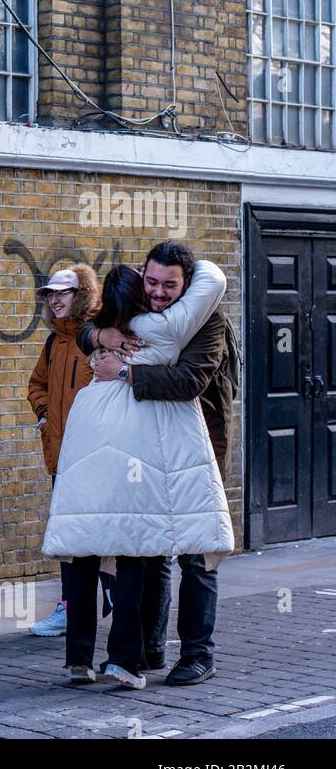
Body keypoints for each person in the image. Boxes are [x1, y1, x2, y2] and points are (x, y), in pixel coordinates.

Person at [44, 258, 231, 690]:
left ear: (188, 284)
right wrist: (99, 335)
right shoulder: (143, 323)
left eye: (170, 284)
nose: (159, 291)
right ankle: (140, 653)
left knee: (193, 553)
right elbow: (86, 327)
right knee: (143, 553)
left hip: (188, 445)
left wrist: (120, 365)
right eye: (151, 282)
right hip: (144, 446)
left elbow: (189, 382)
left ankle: (195, 654)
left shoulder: (200, 319)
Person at [25, 265, 102, 637]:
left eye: (63, 293)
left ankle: (105, 599)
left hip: (95, 455)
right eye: (50, 294)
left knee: (102, 533)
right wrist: (43, 415)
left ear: (82, 294)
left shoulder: (95, 337)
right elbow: (36, 383)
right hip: (60, 455)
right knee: (69, 536)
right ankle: (70, 605)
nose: (55, 300)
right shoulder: (54, 342)